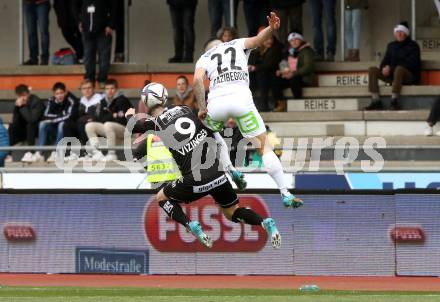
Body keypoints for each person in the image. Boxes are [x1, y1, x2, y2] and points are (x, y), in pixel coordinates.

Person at [126, 98, 281, 249]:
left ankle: (189, 224)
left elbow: (133, 127)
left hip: (194, 179)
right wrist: (231, 170)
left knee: (161, 197)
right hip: (218, 174)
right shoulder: (189, 111)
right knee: (231, 212)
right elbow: (219, 140)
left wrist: (129, 114)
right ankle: (264, 222)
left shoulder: (157, 123)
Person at [193, 12, 303, 208]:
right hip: (241, 99)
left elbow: (197, 81)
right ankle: (285, 192)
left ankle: (231, 170)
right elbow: (258, 40)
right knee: (264, 147)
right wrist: (271, 28)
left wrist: (202, 108)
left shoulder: (203, 58)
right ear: (221, 43)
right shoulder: (236, 43)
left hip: (216, 103)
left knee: (213, 135)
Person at [365, 22, 421, 111]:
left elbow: (412, 64)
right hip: (392, 75)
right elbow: (384, 61)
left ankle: (394, 101)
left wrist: (391, 68)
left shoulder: (413, 46)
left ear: (406, 33)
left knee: (399, 69)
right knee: (372, 70)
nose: (399, 33)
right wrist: (384, 69)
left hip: (408, 76)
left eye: (401, 31)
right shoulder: (391, 46)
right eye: (397, 31)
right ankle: (376, 101)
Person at [25, 82, 76, 163]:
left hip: (67, 127)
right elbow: (46, 115)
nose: (59, 96)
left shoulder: (72, 100)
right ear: (54, 94)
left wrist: (54, 119)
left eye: (61, 93)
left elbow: (69, 116)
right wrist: (60, 116)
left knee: (61, 124)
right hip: (54, 126)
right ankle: (40, 153)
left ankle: (56, 152)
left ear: (65, 92)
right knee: (42, 124)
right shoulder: (51, 100)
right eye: (57, 93)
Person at [85, 79, 133, 161]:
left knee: (108, 124)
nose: (109, 91)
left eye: (112, 88)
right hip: (110, 128)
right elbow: (100, 119)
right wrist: (112, 115)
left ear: (116, 89)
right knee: (89, 126)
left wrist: (109, 117)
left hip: (126, 129)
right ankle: (97, 153)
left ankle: (112, 154)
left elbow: (122, 120)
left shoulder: (122, 100)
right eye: (107, 89)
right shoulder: (103, 101)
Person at [272, 32, 315, 112]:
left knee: (295, 80)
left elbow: (308, 67)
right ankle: (281, 103)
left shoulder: (307, 51)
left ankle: (297, 103)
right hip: (290, 76)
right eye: (291, 40)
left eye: (296, 39)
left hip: (303, 78)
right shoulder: (288, 52)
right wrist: (282, 72)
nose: (294, 42)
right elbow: (284, 65)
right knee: (275, 80)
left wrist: (293, 73)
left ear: (301, 40)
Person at [79, 0, 116, 88]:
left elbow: (115, 8)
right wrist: (79, 21)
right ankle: (90, 82)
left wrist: (111, 25)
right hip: (87, 30)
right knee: (88, 58)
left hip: (103, 31)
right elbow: (75, 6)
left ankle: (102, 80)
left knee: (104, 58)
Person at [63, 79, 102, 160]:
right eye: (84, 88)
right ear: (81, 90)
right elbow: (76, 116)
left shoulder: (100, 99)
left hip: (95, 126)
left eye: (89, 88)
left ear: (93, 88)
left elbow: (98, 115)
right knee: (67, 124)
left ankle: (84, 153)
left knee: (82, 125)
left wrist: (85, 119)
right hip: (82, 124)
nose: (87, 90)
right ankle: (71, 152)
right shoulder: (81, 100)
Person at [248, 31, 283, 112]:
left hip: (272, 74)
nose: (269, 41)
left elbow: (269, 65)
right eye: (266, 39)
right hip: (260, 75)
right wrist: (250, 66)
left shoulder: (276, 49)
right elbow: (252, 61)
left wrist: (255, 68)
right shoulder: (256, 49)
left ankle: (264, 105)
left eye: (271, 39)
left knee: (262, 76)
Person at [9, 85, 44, 162]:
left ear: (28, 94)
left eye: (24, 95)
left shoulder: (37, 102)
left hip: (36, 129)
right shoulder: (20, 103)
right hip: (24, 130)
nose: (22, 98)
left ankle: (31, 152)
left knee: (29, 125)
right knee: (12, 127)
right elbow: (15, 121)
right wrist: (16, 108)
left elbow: (32, 119)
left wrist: (22, 107)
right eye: (20, 96)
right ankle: (8, 154)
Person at [23, 0, 51, 65]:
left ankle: (44, 59)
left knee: (43, 31)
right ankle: (33, 59)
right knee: (31, 33)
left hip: (42, 3)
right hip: (28, 4)